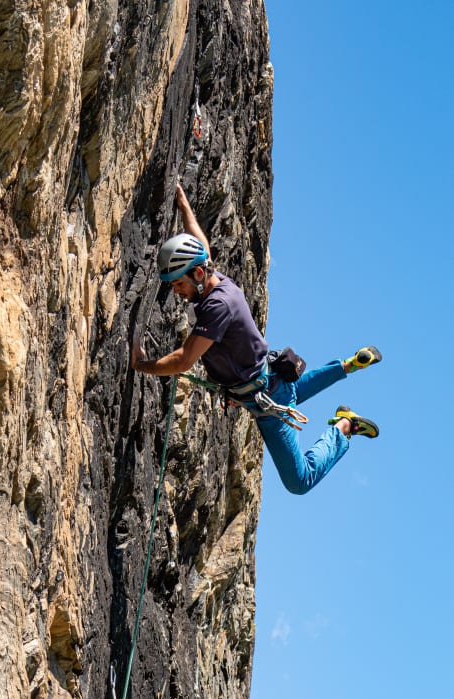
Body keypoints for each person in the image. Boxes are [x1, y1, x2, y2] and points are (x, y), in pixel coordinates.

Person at [130, 184, 381, 495]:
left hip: (268, 399)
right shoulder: (215, 280)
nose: (175, 291)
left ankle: (344, 427)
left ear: (196, 275)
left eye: (177, 283)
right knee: (292, 393)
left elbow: (183, 360)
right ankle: (348, 365)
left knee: (299, 482)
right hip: (272, 379)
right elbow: (202, 244)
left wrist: (141, 364)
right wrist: (183, 205)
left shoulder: (217, 307)